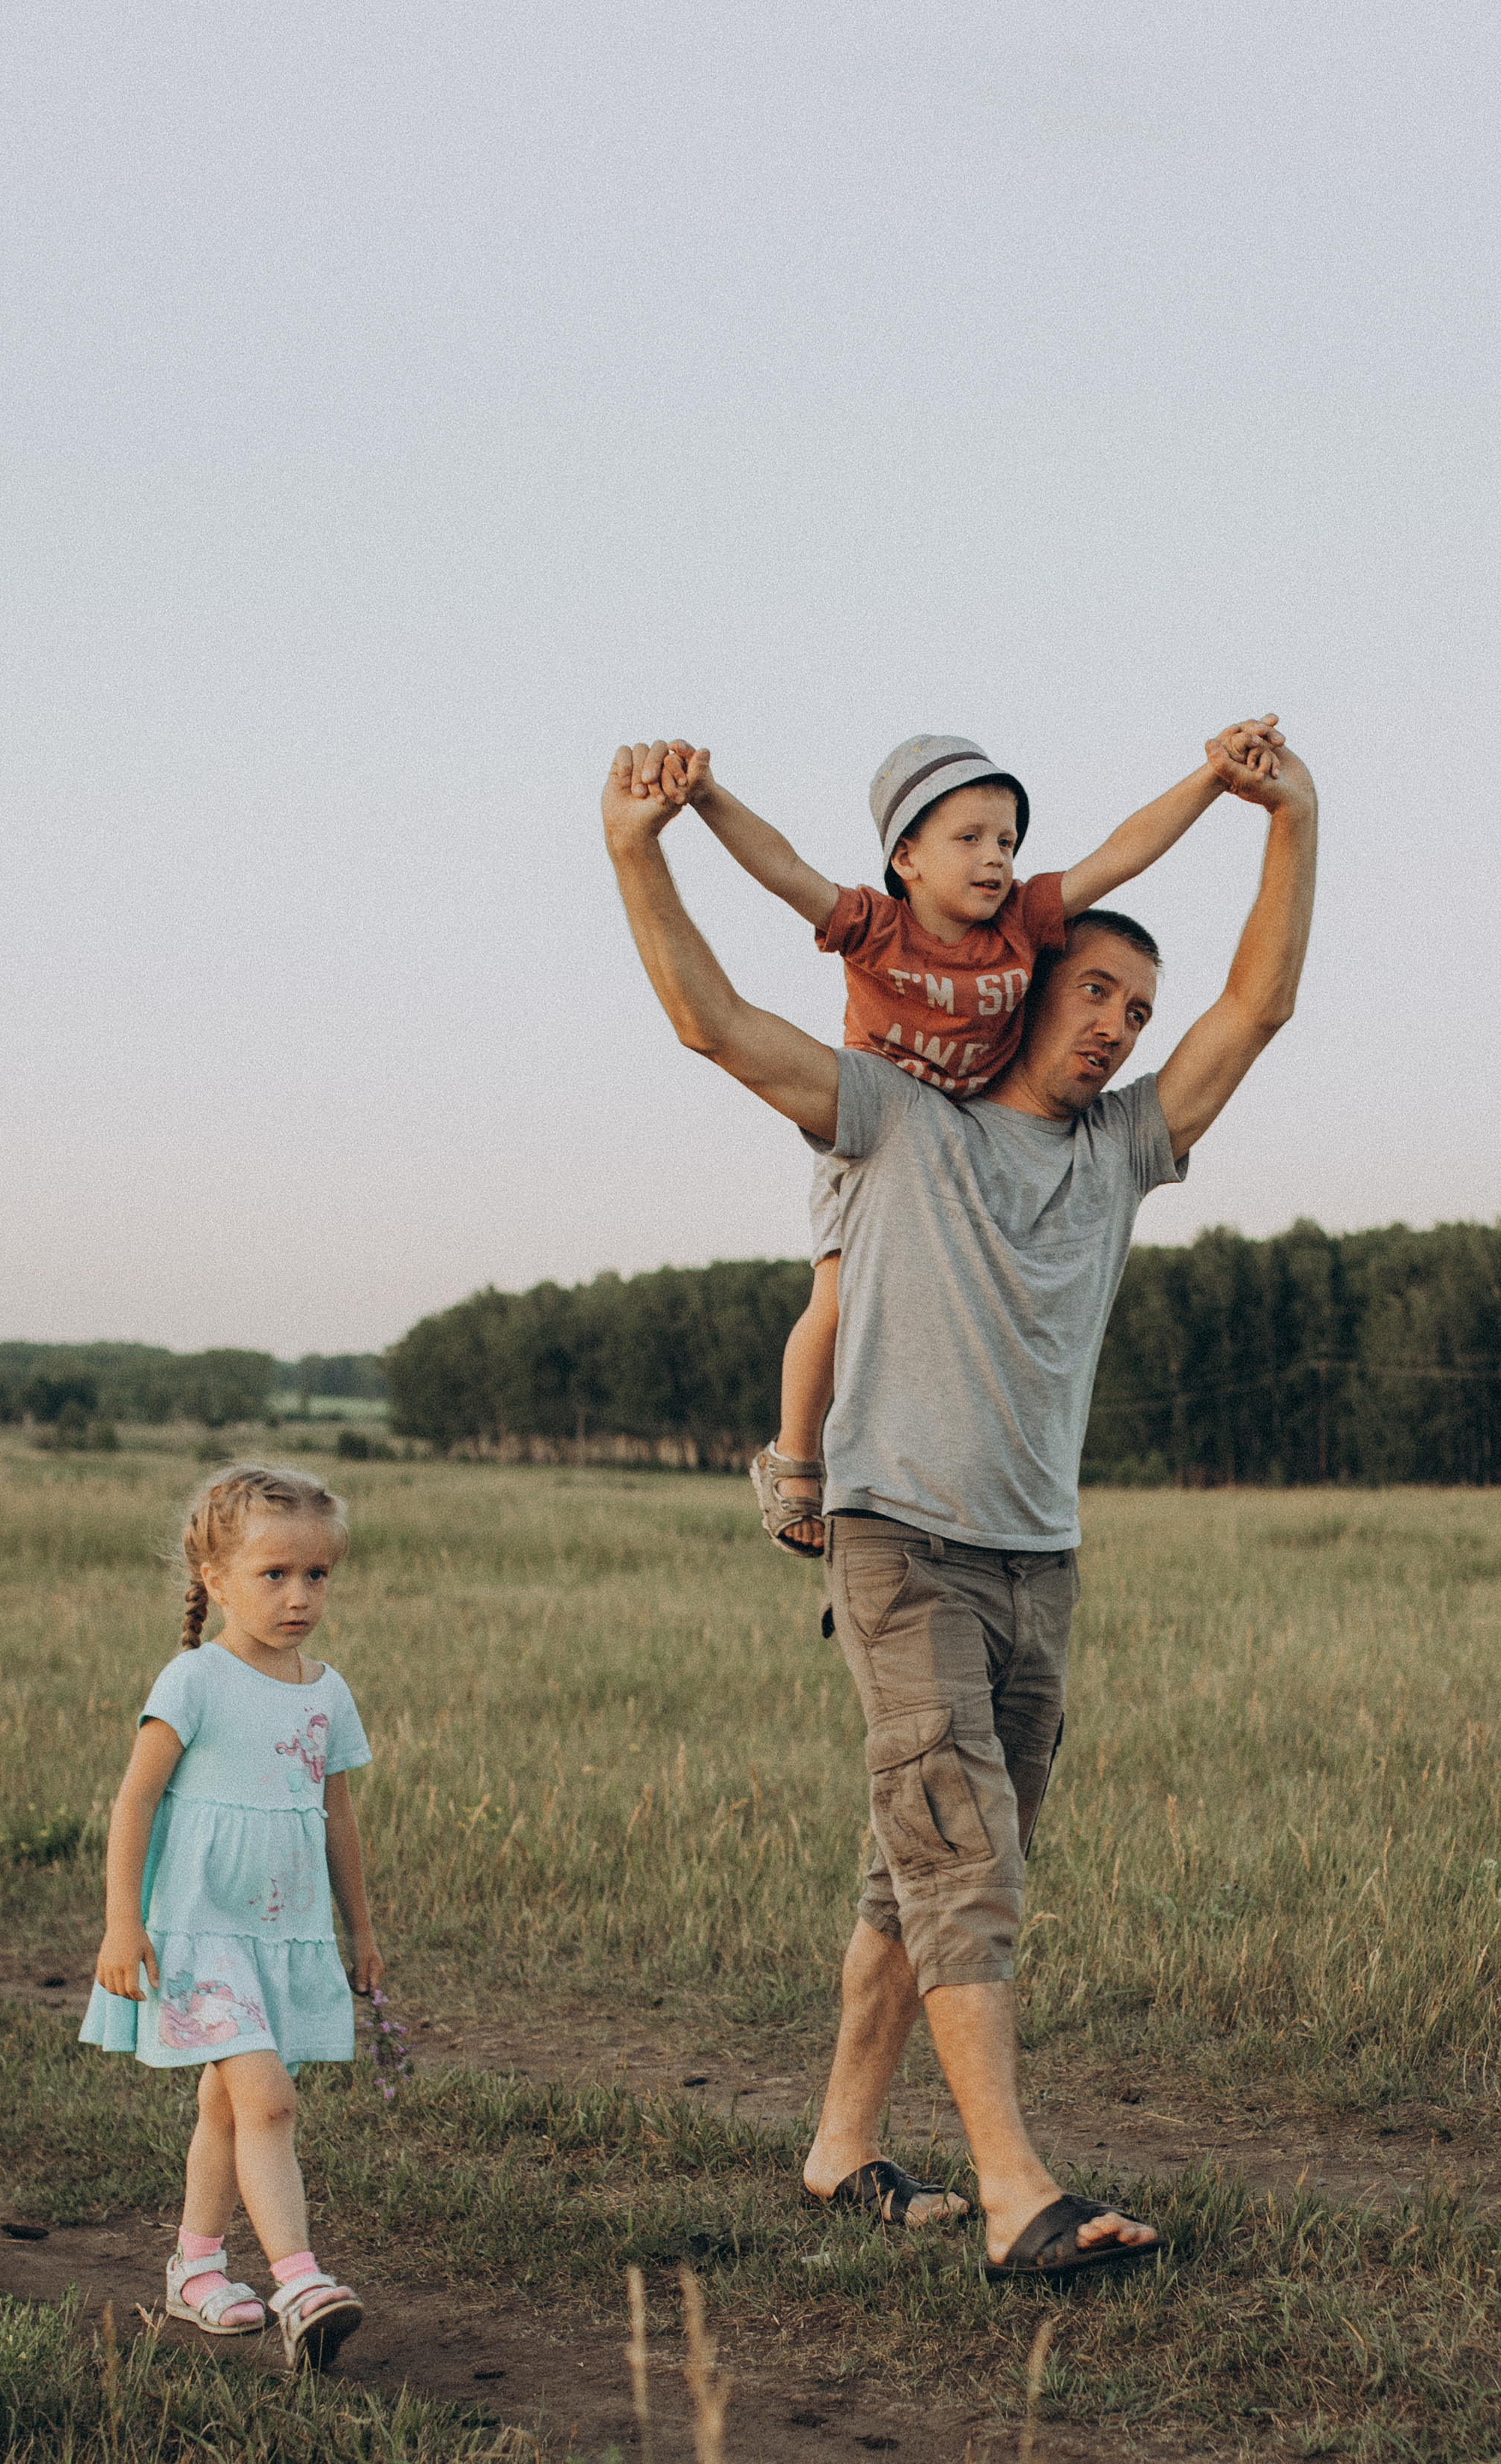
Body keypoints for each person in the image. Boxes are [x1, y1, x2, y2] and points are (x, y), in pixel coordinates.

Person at [601, 728, 1317, 2278]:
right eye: (1095, 994)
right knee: (958, 1853)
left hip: (1035, 1558)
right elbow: (709, 1017)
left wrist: (1289, 819)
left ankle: (841, 2142)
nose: (1119, 1030)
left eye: (1135, 1010)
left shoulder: (1123, 1153)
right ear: (1024, 978)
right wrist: (634, 849)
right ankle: (1014, 2190)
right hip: (898, 1540)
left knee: (913, 1858)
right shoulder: (893, 1121)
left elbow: (1254, 1002)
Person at [657, 721, 1285, 1557]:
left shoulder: (1023, 922)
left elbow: (1122, 852)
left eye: (1007, 840)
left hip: (963, 1130)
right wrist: (702, 797)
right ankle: (795, 1455)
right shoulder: (874, 926)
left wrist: (1211, 779)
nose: (995, 857)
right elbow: (780, 870)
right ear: (906, 855)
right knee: (836, 1297)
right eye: (970, 838)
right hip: (879, 1132)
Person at [79, 1464, 382, 2369]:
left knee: (223, 2104)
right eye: (273, 1574)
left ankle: (197, 2266)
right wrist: (121, 1923)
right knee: (267, 2097)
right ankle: (299, 2282)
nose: (299, 1595)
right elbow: (134, 1802)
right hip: (200, 1935)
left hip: (281, 1936)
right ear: (214, 1580)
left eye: (316, 1574)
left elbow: (336, 1819)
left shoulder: (326, 1691)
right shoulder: (194, 1678)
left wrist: (359, 1930)